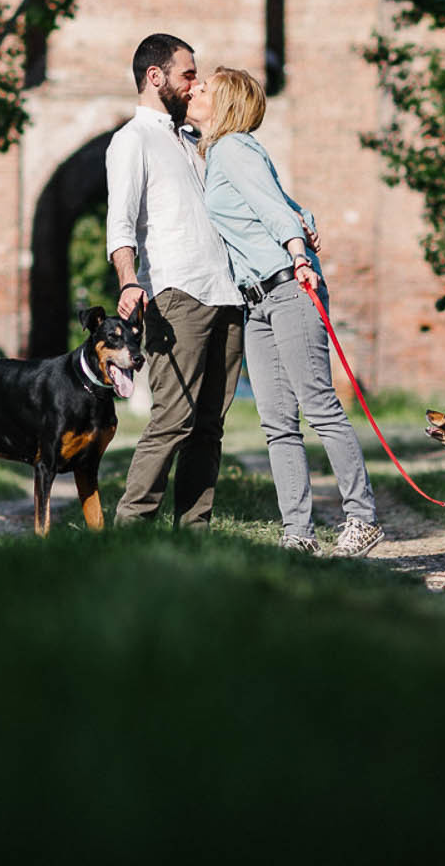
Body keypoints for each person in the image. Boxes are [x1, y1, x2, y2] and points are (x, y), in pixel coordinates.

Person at [186, 67, 384, 557]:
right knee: (276, 422)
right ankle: (299, 531)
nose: (194, 90)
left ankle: (362, 518)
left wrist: (298, 253)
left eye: (204, 87)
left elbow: (275, 212)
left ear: (226, 102)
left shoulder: (233, 148)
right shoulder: (222, 154)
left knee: (319, 406)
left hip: (289, 287)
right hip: (256, 302)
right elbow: (289, 205)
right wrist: (306, 224)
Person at [105, 33, 245, 528]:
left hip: (228, 296)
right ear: (155, 77)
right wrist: (128, 281)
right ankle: (131, 531)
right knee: (172, 421)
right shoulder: (132, 141)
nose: (195, 84)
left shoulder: (197, 141)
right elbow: (120, 224)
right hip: (177, 295)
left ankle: (194, 534)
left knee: (209, 428)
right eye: (188, 74)